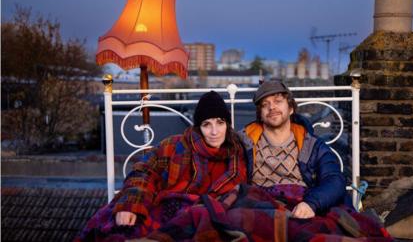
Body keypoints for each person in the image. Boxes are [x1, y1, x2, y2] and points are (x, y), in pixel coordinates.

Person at [77, 91, 247, 241]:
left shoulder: (238, 153)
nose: (214, 131)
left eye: (220, 122)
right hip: (168, 209)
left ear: (228, 124)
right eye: (206, 124)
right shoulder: (175, 145)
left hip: (208, 215)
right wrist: (131, 205)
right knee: (115, 231)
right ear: (198, 127)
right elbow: (143, 172)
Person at [238, 80, 349, 219]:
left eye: (277, 101)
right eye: (265, 105)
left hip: (302, 206)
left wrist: (311, 204)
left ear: (291, 108)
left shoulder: (311, 144)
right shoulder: (245, 143)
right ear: (260, 114)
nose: (271, 107)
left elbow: (334, 179)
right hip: (261, 209)